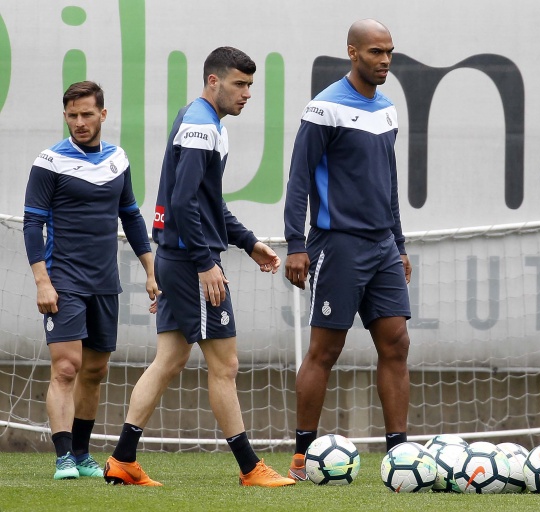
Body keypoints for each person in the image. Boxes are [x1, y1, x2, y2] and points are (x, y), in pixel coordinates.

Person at [103, 47, 294, 488]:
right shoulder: (201, 127)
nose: (247, 93)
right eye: (239, 84)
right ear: (213, 80)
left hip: (179, 257)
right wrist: (205, 263)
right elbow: (183, 202)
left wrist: (248, 243)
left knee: (169, 359)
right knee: (225, 365)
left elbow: (207, 202)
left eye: (250, 85)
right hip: (192, 262)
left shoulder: (202, 122)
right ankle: (250, 468)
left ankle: (123, 459)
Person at [283, 19, 412, 481]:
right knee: (325, 350)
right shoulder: (324, 109)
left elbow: (389, 183)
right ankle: (302, 457)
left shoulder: (388, 110)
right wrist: (295, 244)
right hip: (336, 244)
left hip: (383, 246)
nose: (385, 61)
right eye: (376, 52)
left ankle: (399, 456)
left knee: (397, 342)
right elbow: (299, 179)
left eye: (390, 52)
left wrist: (399, 243)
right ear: (353, 53)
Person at [23, 81, 158, 480]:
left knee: (95, 371)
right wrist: (42, 281)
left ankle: (82, 454)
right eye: (72, 115)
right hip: (63, 280)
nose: (79, 122)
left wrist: (151, 270)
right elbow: (32, 224)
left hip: (105, 282)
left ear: (103, 114)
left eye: (86, 114)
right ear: (65, 116)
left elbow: (130, 215)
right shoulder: (49, 162)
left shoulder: (118, 159)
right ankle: (63, 456)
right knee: (67, 367)